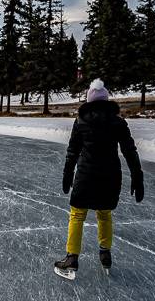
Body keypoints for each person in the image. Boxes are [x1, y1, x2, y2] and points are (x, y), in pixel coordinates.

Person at [53, 78, 144, 279]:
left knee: (77, 214)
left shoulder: (81, 121)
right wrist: (137, 175)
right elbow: (130, 150)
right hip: (110, 176)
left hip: (86, 175)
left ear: (88, 101)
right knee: (104, 214)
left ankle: (72, 258)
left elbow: (72, 151)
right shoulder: (118, 122)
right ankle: (105, 254)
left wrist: (68, 173)